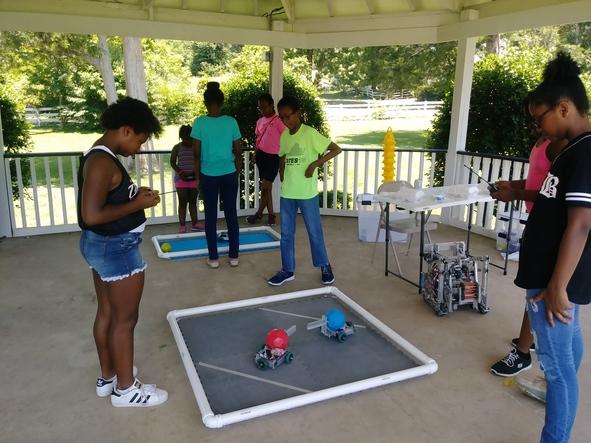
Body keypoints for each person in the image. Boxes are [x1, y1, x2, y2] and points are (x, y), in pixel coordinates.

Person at [516, 51, 591, 442]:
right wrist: (519, 190)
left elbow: (580, 226)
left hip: (553, 279)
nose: (537, 126)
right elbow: (556, 207)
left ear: (564, 107)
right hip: (549, 273)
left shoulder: (585, 153)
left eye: (539, 117)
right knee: (564, 358)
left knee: (558, 369)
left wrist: (557, 287)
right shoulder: (569, 152)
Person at [77, 97, 168, 407]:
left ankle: (109, 378)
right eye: (140, 141)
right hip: (116, 249)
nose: (139, 148)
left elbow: (108, 200)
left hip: (102, 246)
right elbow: (91, 214)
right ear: (127, 130)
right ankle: (126, 390)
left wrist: (134, 196)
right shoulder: (102, 161)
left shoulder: (100, 155)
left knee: (107, 313)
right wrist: (137, 204)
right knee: (125, 320)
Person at [490, 132, 568, 379]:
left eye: (539, 117)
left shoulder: (562, 143)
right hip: (538, 220)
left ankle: (523, 353)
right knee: (534, 288)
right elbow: (540, 182)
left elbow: (556, 192)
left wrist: (516, 194)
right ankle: (530, 339)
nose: (535, 124)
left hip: (552, 225)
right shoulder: (542, 140)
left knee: (538, 290)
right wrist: (514, 185)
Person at [267, 96, 342, 286]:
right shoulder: (284, 135)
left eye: (289, 116)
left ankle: (324, 265)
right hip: (288, 194)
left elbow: (335, 149)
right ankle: (287, 269)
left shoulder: (310, 133)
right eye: (282, 118)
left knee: (314, 232)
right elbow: (282, 156)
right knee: (286, 234)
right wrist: (282, 173)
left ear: (298, 113)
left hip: (307, 194)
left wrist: (315, 164)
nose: (286, 121)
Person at [191, 82, 242, 269]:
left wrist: (197, 178)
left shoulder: (199, 122)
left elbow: (196, 153)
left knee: (210, 217)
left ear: (205, 102)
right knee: (231, 215)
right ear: (222, 102)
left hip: (208, 175)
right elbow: (238, 150)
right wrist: (236, 171)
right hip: (228, 173)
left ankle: (213, 259)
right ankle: (234, 257)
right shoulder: (231, 122)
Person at [246, 93, 285, 226]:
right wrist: (255, 155)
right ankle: (272, 215)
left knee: (265, 187)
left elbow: (286, 141)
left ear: (271, 105)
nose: (262, 110)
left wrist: (282, 163)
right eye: (260, 108)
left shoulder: (279, 121)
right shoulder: (259, 121)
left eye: (264, 107)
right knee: (266, 188)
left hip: (274, 158)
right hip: (261, 156)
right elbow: (257, 140)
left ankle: (259, 213)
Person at [170, 124, 204, 233]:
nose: (187, 141)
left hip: (194, 179)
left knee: (193, 202)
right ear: (181, 138)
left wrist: (197, 173)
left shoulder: (196, 147)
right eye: (185, 139)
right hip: (181, 180)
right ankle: (182, 225)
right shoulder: (177, 147)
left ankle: (195, 224)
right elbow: (172, 161)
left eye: (189, 139)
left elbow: (200, 160)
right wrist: (179, 172)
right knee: (182, 203)